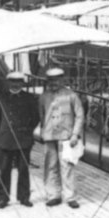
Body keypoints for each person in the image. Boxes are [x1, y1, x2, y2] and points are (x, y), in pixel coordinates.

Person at [0, 70, 39, 208]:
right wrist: (5, 130)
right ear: (8, 82)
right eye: (13, 82)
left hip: (24, 139)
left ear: (22, 84)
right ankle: (3, 198)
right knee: (4, 169)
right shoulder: (1, 98)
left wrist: (26, 130)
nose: (16, 85)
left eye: (18, 82)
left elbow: (35, 117)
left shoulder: (29, 98)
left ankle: (23, 197)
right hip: (6, 139)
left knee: (23, 169)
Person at [38, 64, 86, 207]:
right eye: (51, 80)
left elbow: (80, 115)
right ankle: (53, 195)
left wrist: (75, 134)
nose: (54, 83)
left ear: (62, 80)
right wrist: (42, 132)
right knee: (50, 166)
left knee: (67, 166)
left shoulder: (71, 95)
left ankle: (70, 197)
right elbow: (41, 116)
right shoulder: (43, 97)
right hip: (49, 136)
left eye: (57, 80)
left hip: (66, 136)